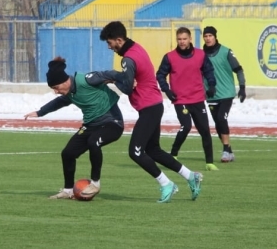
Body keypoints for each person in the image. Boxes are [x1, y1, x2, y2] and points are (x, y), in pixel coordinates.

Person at [97, 21, 203, 203]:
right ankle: (190, 176)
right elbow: (130, 81)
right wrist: (123, 79)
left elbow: (128, 88)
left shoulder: (128, 59)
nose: (109, 47)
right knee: (153, 150)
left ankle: (166, 184)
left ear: (119, 40)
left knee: (135, 152)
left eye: (110, 42)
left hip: (149, 107)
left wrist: (112, 78)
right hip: (153, 105)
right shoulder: (137, 48)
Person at [25, 56, 124, 200]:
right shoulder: (69, 93)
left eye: (56, 88)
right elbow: (58, 103)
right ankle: (68, 190)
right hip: (91, 125)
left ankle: (95, 184)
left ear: (65, 82)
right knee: (68, 153)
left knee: (93, 142)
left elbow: (110, 74)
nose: (56, 91)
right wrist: (39, 112)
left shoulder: (86, 80)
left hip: (112, 123)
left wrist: (128, 79)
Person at [156, 27, 219, 171]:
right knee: (186, 126)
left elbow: (209, 71)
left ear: (190, 39)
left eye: (184, 39)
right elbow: (160, 75)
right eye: (179, 39)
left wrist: (212, 86)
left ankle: (209, 162)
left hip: (197, 98)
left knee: (205, 130)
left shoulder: (200, 55)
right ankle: (173, 154)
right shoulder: (169, 57)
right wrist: (167, 90)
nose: (182, 42)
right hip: (181, 100)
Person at [202, 26, 247, 162]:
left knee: (222, 118)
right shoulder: (200, 54)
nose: (208, 38)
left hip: (227, 93)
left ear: (215, 37)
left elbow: (238, 70)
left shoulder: (226, 51)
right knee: (217, 125)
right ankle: (229, 151)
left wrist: (242, 87)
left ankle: (226, 150)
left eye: (210, 35)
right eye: (206, 36)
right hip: (211, 94)